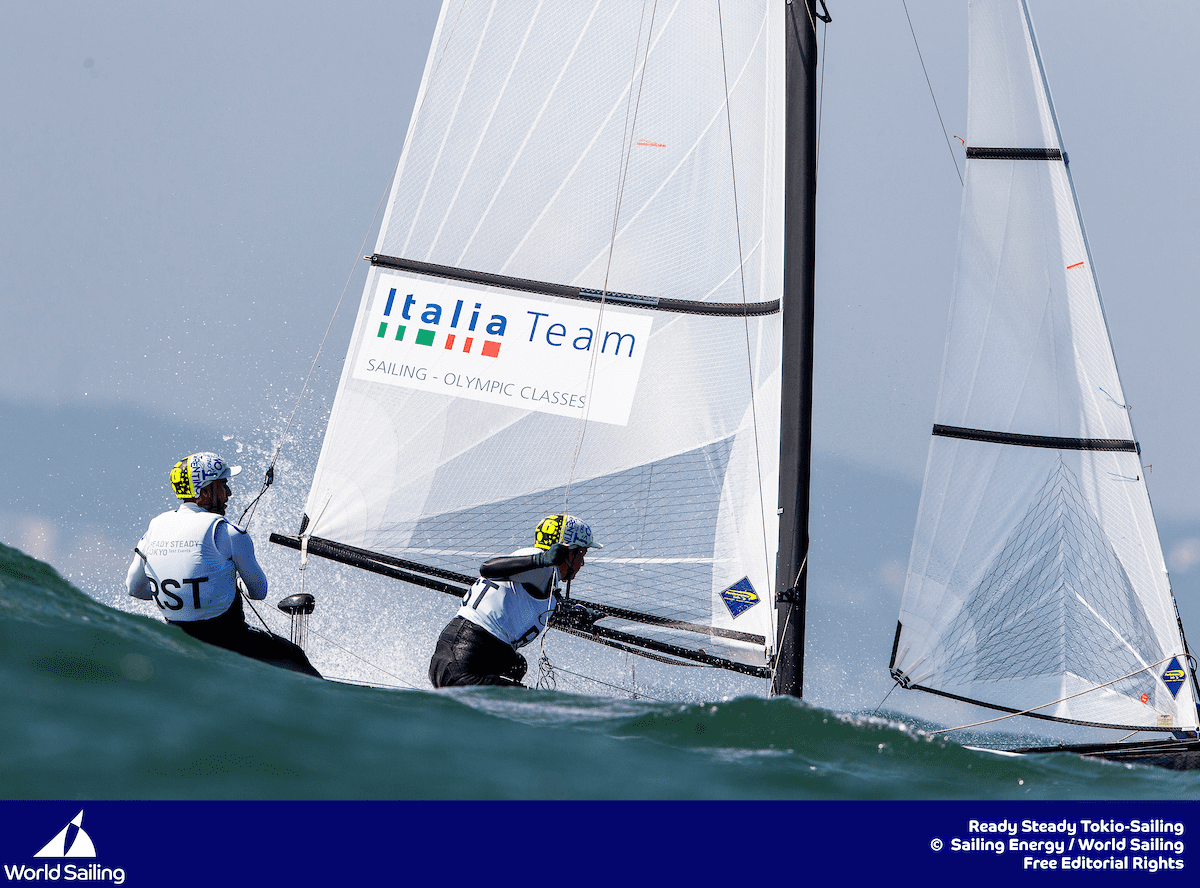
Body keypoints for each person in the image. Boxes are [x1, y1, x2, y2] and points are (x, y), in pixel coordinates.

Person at [126, 452, 322, 678]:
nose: (229, 493)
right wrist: (227, 584)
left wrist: (186, 595)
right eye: (223, 485)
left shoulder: (155, 527)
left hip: (176, 640)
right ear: (205, 492)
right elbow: (259, 592)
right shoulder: (228, 532)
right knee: (295, 656)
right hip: (228, 641)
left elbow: (134, 588)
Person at [429, 514, 602, 688]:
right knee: (532, 701)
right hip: (464, 660)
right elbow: (487, 569)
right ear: (569, 553)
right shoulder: (541, 566)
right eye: (582, 554)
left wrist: (579, 616)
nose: (582, 563)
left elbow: (537, 608)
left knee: (517, 666)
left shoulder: (536, 572)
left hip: (456, 654)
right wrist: (542, 560)